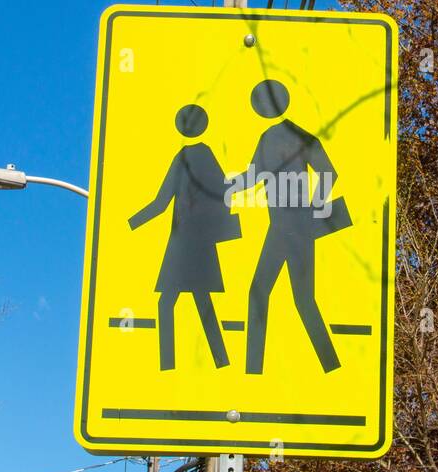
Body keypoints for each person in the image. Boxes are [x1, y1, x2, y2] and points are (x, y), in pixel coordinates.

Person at [233, 79, 349, 375]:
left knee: (267, 294)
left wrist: (314, 212)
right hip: (282, 225)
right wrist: (221, 186)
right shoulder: (269, 138)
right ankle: (328, 365)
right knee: (291, 298)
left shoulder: (297, 136)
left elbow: (327, 172)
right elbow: (252, 176)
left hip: (294, 225)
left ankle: (253, 372)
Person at [129, 104, 239, 371]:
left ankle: (168, 365)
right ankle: (221, 361)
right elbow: (225, 193)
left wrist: (131, 223)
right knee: (199, 301)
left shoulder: (185, 157)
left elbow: (161, 202)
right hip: (198, 241)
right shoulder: (206, 156)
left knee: (167, 304)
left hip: (184, 242)